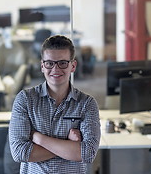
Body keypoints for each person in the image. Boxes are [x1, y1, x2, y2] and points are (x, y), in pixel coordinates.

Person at [9, 35, 100, 173]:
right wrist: (69, 144)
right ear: (42, 66)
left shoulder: (87, 104)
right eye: (49, 63)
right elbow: (20, 153)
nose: (55, 69)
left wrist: (38, 138)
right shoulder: (25, 100)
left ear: (73, 66)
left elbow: (87, 154)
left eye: (62, 63)